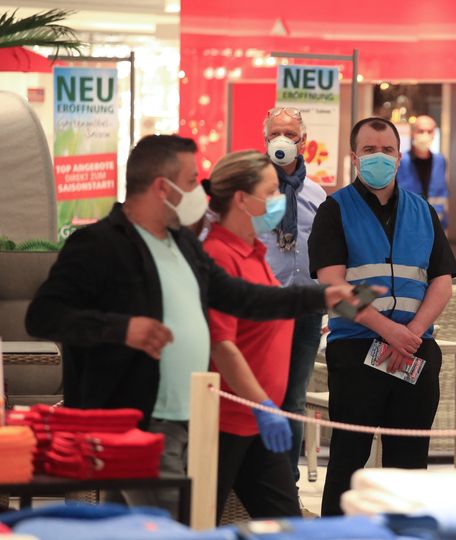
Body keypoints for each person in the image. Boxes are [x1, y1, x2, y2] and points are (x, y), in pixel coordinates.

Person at [24, 134, 362, 514]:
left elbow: (240, 296)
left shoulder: (181, 244)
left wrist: (319, 296)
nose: (199, 191)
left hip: (190, 417)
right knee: (172, 526)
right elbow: (44, 315)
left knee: (172, 523)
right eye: (190, 181)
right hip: (140, 419)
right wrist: (123, 329)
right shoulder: (99, 244)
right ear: (160, 187)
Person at [309, 117, 456, 515]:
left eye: (388, 150)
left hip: (415, 352)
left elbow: (441, 283)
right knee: (347, 463)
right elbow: (333, 289)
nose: (380, 158)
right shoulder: (334, 209)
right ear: (355, 157)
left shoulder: (422, 211)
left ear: (399, 155)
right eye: (370, 150)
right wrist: (389, 331)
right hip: (357, 352)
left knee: (409, 469)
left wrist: (410, 333)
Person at [201, 150, 301, 521]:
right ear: (242, 199)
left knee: (287, 524)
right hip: (226, 421)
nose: (279, 200)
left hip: (259, 421)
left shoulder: (254, 252)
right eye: (271, 191)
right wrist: (263, 405)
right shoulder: (218, 255)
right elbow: (222, 344)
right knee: (197, 522)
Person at [259, 107, 327, 488]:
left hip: (306, 308)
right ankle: (258, 479)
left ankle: (286, 482)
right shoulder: (253, 189)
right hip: (263, 307)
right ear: (264, 139)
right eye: (274, 134)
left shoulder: (316, 193)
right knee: (261, 392)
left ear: (303, 141)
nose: (282, 140)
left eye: (289, 134)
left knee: (295, 397)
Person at [396, 115, 449, 229]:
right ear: (412, 133)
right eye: (420, 131)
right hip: (407, 226)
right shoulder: (400, 162)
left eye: (429, 131)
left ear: (434, 134)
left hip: (436, 225)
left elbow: (442, 195)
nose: (425, 135)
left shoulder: (440, 161)